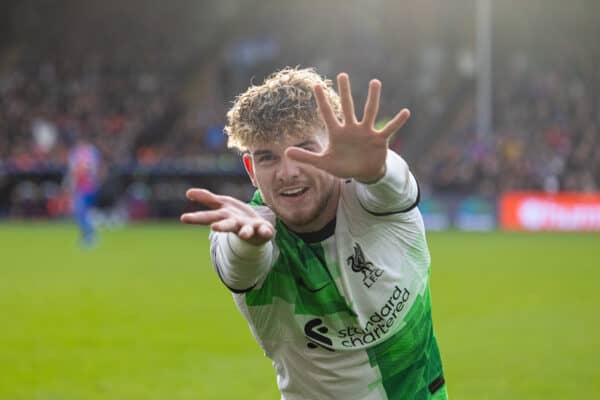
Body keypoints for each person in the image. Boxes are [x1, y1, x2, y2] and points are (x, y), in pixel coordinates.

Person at [181, 68, 447, 399]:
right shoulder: (247, 226)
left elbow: (393, 183)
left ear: (334, 149)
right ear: (250, 170)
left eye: (304, 149)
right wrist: (249, 242)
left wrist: (378, 166)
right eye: (268, 158)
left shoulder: (375, 199)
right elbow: (240, 264)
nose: (287, 173)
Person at [64, 136, 102, 247]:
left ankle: (90, 236)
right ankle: (88, 235)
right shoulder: (87, 152)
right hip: (83, 187)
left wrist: (73, 182)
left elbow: (84, 170)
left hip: (86, 187)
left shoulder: (87, 153)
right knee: (81, 212)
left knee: (81, 211)